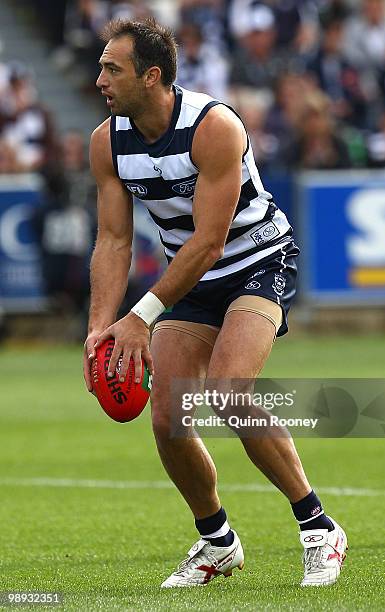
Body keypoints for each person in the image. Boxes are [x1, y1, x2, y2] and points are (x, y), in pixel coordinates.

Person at [83, 18, 348, 588]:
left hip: (255, 260)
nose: (99, 78)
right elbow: (114, 239)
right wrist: (99, 329)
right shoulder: (107, 141)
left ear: (151, 77)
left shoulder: (212, 126)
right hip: (190, 279)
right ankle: (217, 542)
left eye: (112, 68)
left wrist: (140, 316)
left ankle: (320, 528)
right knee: (167, 416)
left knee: (231, 390)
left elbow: (208, 242)